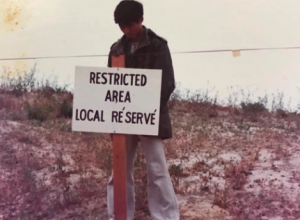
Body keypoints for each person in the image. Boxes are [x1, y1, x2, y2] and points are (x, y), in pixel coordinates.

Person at [107, 1, 179, 219]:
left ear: (141, 19)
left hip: (150, 119)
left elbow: (167, 83)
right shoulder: (116, 49)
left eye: (129, 25)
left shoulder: (158, 46)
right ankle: (119, 215)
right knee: (118, 171)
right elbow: (110, 86)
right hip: (123, 121)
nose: (126, 30)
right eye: (121, 26)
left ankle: (166, 216)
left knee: (157, 171)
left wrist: (143, 109)